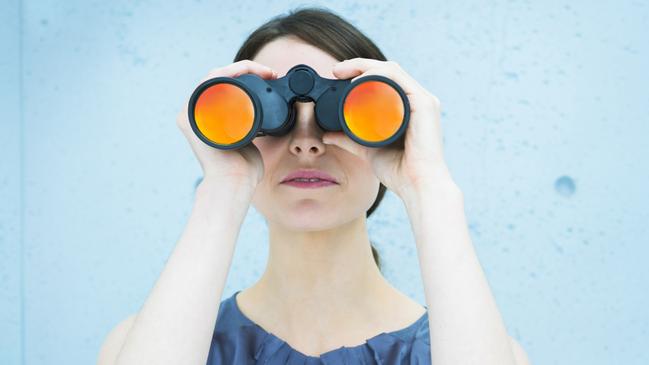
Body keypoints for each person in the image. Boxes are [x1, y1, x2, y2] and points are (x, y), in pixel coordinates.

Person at [98, 6, 531, 365]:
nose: (306, 144)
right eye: (271, 114)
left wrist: (429, 186)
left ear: (396, 130)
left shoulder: (477, 348)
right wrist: (223, 186)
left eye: (339, 114)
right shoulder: (147, 344)